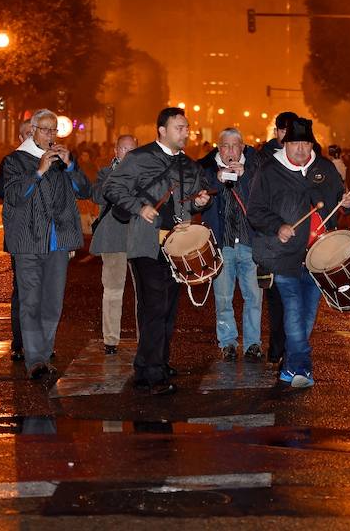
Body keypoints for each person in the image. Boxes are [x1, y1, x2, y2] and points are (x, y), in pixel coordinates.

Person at [104, 107, 211, 396]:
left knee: (168, 309)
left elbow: (197, 198)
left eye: (187, 127)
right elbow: (112, 187)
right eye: (179, 127)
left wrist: (200, 202)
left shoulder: (190, 165)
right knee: (153, 307)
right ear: (161, 130)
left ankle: (159, 363)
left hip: (179, 247)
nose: (185, 132)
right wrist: (140, 207)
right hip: (146, 244)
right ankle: (148, 374)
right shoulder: (140, 158)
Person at [248, 117, 350, 389]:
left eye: (306, 144)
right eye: (296, 144)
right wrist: (277, 226)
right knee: (293, 312)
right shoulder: (270, 170)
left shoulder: (324, 168)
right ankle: (302, 368)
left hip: (319, 255)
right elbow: (255, 211)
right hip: (285, 255)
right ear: (286, 143)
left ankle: (290, 367)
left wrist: (348, 205)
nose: (302, 150)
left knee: (307, 316)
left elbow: (341, 202)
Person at [1, 109, 91, 381]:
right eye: (45, 130)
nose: (51, 135)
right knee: (30, 301)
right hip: (27, 241)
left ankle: (44, 350)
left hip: (58, 242)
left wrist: (72, 167)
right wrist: (39, 171)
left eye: (54, 130)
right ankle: (35, 360)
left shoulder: (63, 160)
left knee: (53, 302)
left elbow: (85, 190)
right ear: (32, 131)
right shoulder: (15, 160)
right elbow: (15, 196)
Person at [201, 128, 263, 361]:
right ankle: (227, 342)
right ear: (218, 148)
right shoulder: (208, 171)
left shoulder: (255, 169)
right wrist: (214, 181)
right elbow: (199, 204)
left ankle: (253, 343)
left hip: (249, 243)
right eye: (225, 146)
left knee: (253, 298)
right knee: (224, 298)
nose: (229, 151)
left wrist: (245, 176)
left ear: (242, 147)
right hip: (222, 244)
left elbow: (261, 203)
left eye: (234, 146)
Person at [90, 134, 138, 355]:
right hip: (112, 238)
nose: (127, 153)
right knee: (112, 290)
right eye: (123, 148)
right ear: (116, 151)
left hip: (140, 239)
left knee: (145, 293)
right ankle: (110, 339)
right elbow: (97, 197)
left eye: (132, 149)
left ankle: (144, 339)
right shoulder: (105, 172)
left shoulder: (145, 173)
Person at [256, 111, 296, 367]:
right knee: (276, 298)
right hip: (270, 238)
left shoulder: (305, 157)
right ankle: (277, 348)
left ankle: (290, 350)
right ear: (277, 132)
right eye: (284, 131)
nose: (288, 136)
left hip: (297, 239)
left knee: (295, 297)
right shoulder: (263, 158)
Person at [0, 121, 33, 362]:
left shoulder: (50, 158)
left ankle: (41, 341)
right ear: (19, 137)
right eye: (27, 134)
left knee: (45, 291)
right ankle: (18, 342)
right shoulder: (11, 161)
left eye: (34, 133)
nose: (31, 137)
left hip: (46, 237)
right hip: (20, 234)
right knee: (22, 290)